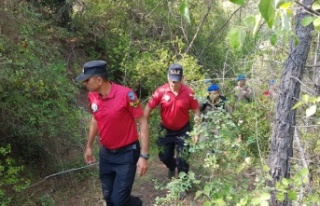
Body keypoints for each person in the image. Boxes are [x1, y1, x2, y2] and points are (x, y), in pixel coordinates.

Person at [76, 60, 149, 206]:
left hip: (127, 154)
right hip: (106, 154)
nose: (84, 84)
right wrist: (89, 146)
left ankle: (136, 204)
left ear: (99, 80)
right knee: (108, 198)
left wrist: (144, 156)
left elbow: (142, 122)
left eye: (87, 80)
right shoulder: (92, 96)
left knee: (119, 201)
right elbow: (95, 120)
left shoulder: (127, 95)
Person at [144, 63, 201, 181]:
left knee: (183, 159)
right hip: (165, 130)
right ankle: (171, 165)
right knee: (164, 156)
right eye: (171, 80)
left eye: (177, 81)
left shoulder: (189, 93)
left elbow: (196, 111)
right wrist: (143, 125)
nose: (173, 83)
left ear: (182, 78)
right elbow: (148, 108)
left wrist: (196, 131)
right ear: (167, 77)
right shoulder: (160, 91)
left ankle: (182, 185)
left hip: (183, 130)